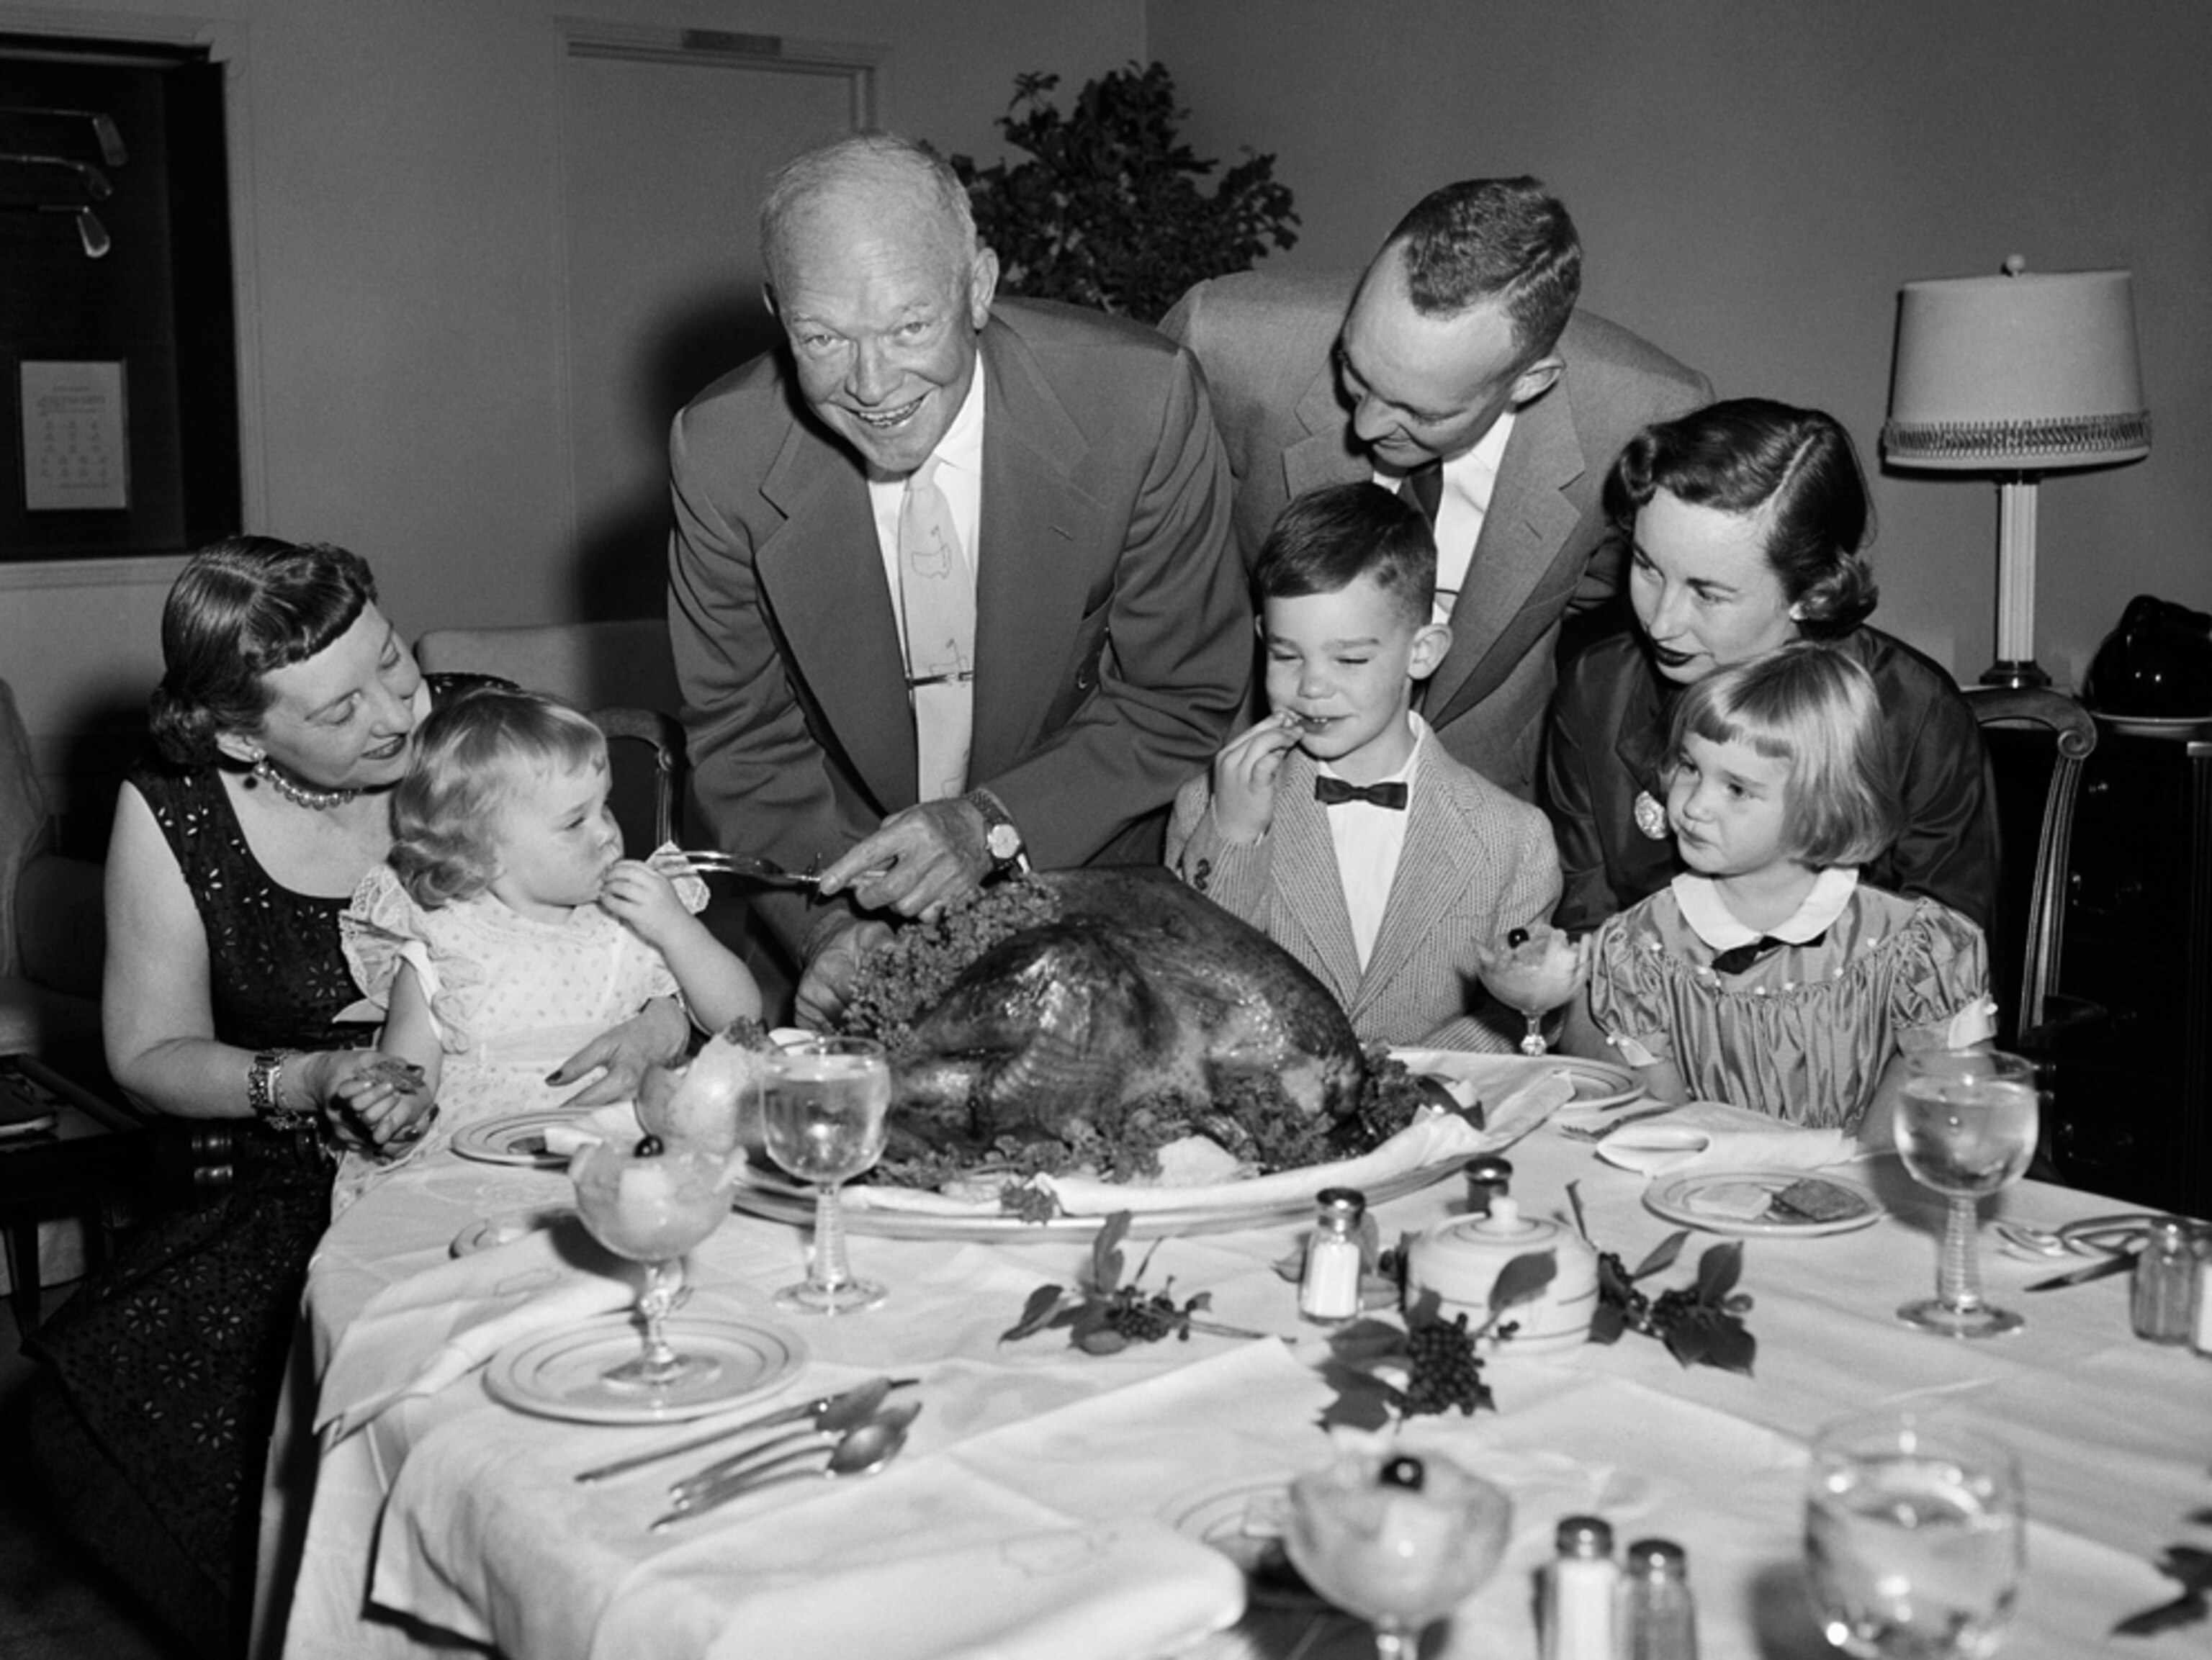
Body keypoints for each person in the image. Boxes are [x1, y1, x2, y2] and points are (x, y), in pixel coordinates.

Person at [20, 538, 685, 1659]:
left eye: (389, 659)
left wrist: (657, 1030)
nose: (400, 710)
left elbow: (646, 937)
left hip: (557, 1134)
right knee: (130, 1425)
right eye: (342, 708)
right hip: (302, 1175)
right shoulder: (180, 805)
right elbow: (148, 1051)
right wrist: (309, 1076)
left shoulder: (475, 731)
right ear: (245, 737)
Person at [668, 132, 1251, 1027]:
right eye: (822, 337)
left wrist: (990, 824)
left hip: (1092, 904)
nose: (872, 385)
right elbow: (744, 740)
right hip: (833, 904)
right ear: (777, 313)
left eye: (910, 326)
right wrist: (831, 930)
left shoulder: (1141, 402)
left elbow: (1180, 695)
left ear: (978, 286)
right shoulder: (721, 452)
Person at [1161, 176, 1711, 803]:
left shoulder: (1646, 420)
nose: (1366, 426)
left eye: (1419, 413)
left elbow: (1609, 584)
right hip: (1237, 766)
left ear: (1530, 383)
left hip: (1481, 790)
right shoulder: (1224, 342)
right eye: (1354, 370)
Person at [1543, 398, 1997, 935]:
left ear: (1812, 593)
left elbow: (1945, 949)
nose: (1661, 624)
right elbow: (1589, 931)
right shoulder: (1598, 689)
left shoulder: (1916, 716)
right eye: (1647, 567)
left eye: (1708, 594)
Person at [1166, 482, 1560, 1052]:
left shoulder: (1514, 839)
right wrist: (1234, 838)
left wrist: (1406, 1079)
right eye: (1286, 655)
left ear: (1422, 652)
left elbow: (1524, 1015)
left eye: (1349, 659)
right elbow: (1189, 994)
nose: (1312, 686)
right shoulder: (1209, 807)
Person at [1575, 643, 1995, 1140]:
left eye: (1736, 789)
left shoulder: (1916, 948)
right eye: (1690, 767)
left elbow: (1949, 1106)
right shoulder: (1641, 949)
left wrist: (1843, 1170)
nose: (1694, 806)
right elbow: (1664, 1129)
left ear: (1822, 807)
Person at [341, 688, 760, 1171]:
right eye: (574, 822)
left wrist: (677, 929)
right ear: (482, 852)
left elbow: (739, 1018)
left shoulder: (631, 921)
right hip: (482, 1161)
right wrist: (394, 1107)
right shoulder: (443, 942)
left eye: (604, 806)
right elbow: (408, 1074)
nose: (606, 832)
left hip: (616, 1152)